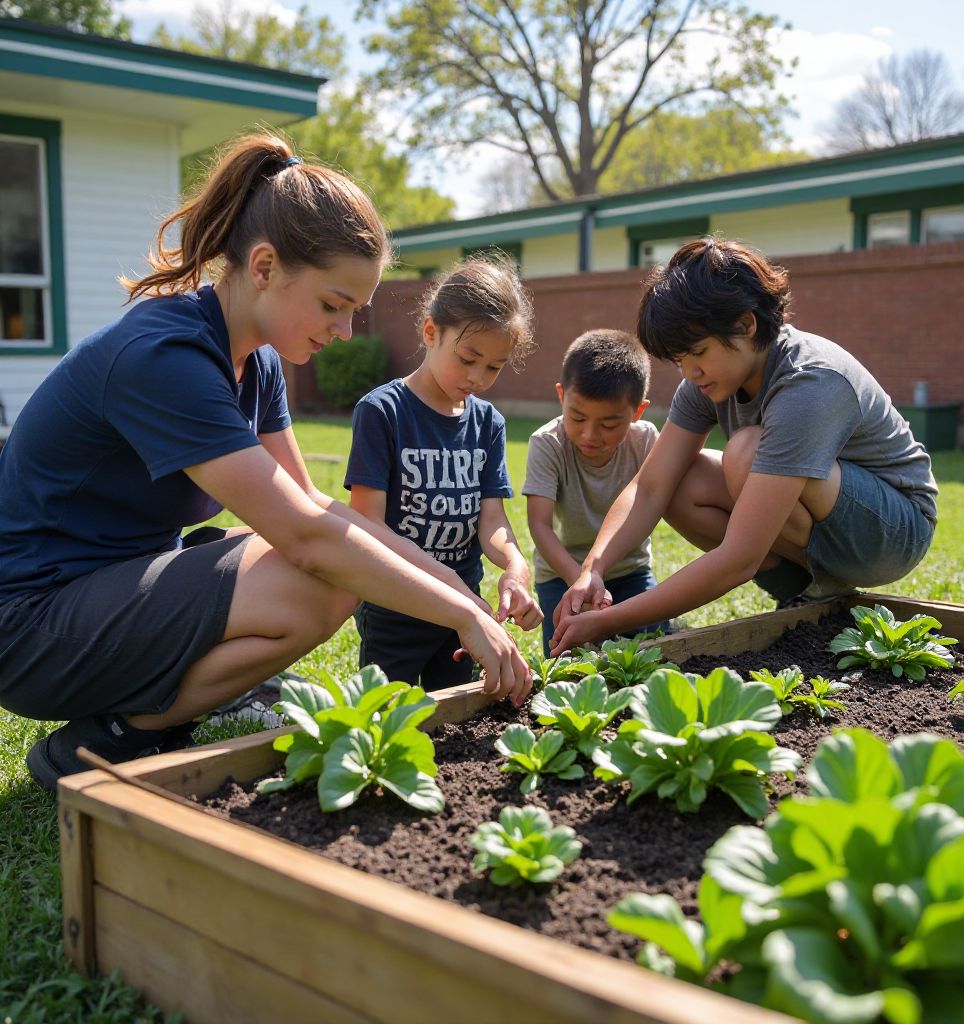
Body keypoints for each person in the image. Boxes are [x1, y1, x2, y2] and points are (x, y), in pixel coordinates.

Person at [0, 134, 531, 793]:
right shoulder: (166, 358)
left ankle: (182, 696)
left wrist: (462, 598)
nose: (343, 331)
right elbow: (310, 540)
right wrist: (462, 617)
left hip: (109, 593)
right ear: (263, 267)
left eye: (355, 312)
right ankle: (108, 740)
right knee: (322, 576)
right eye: (333, 305)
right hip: (31, 629)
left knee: (327, 557)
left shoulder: (258, 361)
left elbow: (319, 509)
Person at [550, 236, 938, 655]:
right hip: (825, 525)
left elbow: (740, 558)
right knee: (683, 479)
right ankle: (807, 594)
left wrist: (613, 619)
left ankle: (819, 587)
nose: (689, 371)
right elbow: (651, 487)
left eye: (698, 352)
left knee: (746, 453)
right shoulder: (707, 378)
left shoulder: (809, 381)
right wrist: (593, 568)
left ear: (746, 324)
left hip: (893, 530)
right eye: (680, 359)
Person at [344, 256, 543, 689]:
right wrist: (445, 582)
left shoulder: (488, 423)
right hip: (395, 604)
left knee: (456, 718)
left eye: (494, 366)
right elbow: (366, 525)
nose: (479, 377)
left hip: (461, 608)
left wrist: (514, 566)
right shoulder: (382, 412)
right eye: (469, 358)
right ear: (431, 332)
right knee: (386, 716)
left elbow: (491, 520)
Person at [523, 329, 670, 656]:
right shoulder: (547, 443)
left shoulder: (646, 440)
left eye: (608, 424)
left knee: (656, 652)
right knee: (568, 661)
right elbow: (540, 525)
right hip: (562, 576)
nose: (590, 434)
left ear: (638, 411)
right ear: (561, 396)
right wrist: (580, 582)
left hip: (630, 572)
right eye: (576, 417)